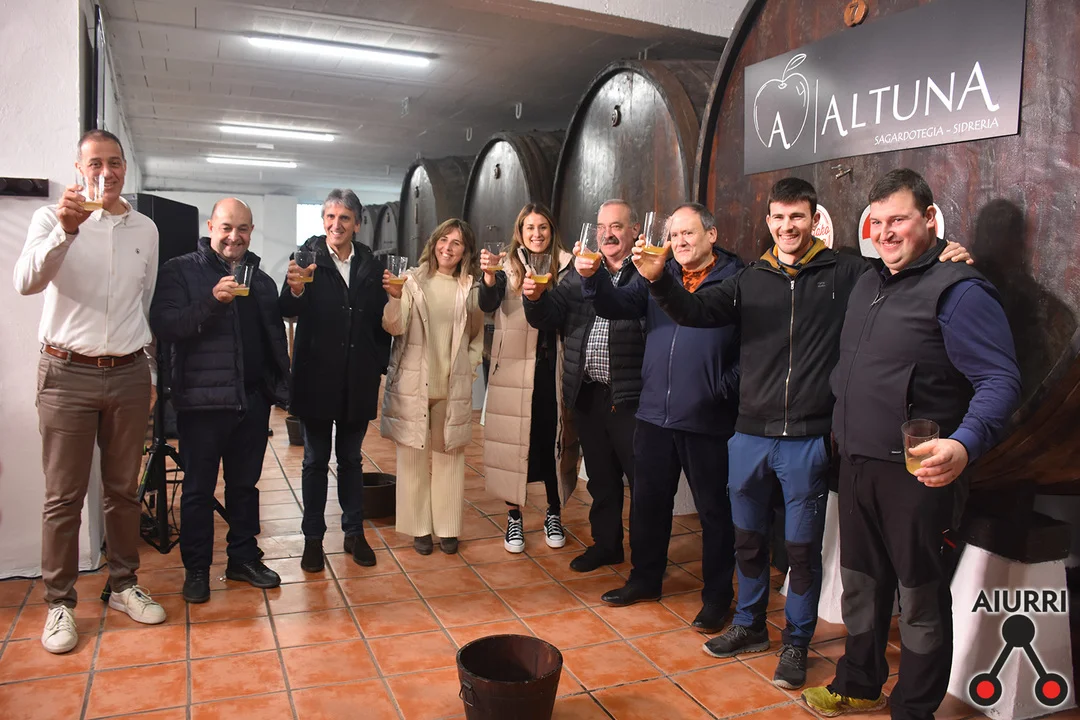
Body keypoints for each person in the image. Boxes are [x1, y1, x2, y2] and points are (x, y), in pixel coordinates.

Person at [636, 178, 971, 689]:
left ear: (814, 220)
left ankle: (796, 640)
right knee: (747, 540)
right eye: (778, 217)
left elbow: (904, 269)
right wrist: (659, 281)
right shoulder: (750, 278)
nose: (787, 226)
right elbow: (695, 312)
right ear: (768, 221)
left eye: (797, 216)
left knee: (799, 551)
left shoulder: (848, 272)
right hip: (748, 434)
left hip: (807, 439)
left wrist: (948, 253)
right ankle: (749, 624)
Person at [802, 170, 1021, 720]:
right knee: (860, 585)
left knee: (921, 598)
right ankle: (858, 683)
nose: (885, 232)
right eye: (877, 222)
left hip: (919, 474)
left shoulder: (960, 290)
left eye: (898, 219)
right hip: (857, 464)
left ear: (929, 219)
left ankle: (914, 708)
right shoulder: (868, 282)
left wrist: (964, 444)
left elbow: (1000, 381)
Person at [14, 129, 166, 653]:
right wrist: (66, 230)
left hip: (127, 373)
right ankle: (59, 603)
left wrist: (148, 372)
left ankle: (124, 585)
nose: (107, 172)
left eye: (115, 162)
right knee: (64, 496)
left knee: (123, 490)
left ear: (125, 167)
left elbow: (143, 303)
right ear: (80, 169)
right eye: (96, 163)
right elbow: (26, 282)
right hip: (66, 373)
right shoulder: (51, 219)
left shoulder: (145, 228)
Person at [587, 203, 742, 634]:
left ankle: (716, 598)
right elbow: (616, 305)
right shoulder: (660, 271)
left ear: (712, 234)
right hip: (654, 411)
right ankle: (645, 579)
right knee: (649, 504)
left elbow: (750, 350)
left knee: (714, 513)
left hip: (707, 417)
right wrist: (592, 278)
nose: (680, 242)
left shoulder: (736, 279)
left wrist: (720, 388)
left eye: (689, 233)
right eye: (674, 235)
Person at [150, 197, 289, 603]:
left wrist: (274, 389)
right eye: (227, 227)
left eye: (242, 228)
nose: (234, 236)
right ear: (211, 227)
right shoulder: (179, 270)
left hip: (251, 401)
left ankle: (243, 558)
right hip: (203, 403)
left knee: (245, 487)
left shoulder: (260, 281)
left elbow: (272, 337)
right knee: (198, 490)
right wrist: (213, 300)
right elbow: (166, 324)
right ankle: (196, 569)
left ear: (251, 232)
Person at [523, 199, 645, 572]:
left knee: (642, 483)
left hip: (631, 395)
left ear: (635, 230)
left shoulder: (645, 272)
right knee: (601, 479)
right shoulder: (581, 272)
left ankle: (645, 561)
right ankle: (606, 545)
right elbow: (550, 315)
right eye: (601, 227)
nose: (607, 234)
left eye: (616, 226)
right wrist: (534, 299)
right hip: (588, 392)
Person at [280, 189, 390, 572]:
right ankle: (313, 538)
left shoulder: (371, 265)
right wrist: (296, 288)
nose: (336, 224)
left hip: (357, 380)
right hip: (316, 379)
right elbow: (286, 308)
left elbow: (380, 322)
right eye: (330, 217)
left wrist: (377, 364)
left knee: (351, 460)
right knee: (314, 461)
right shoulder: (306, 258)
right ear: (323, 221)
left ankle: (354, 533)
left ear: (357, 224)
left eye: (344, 218)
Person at [478, 203, 579, 554]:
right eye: (529, 228)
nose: (537, 234)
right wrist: (488, 277)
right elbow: (487, 303)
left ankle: (553, 512)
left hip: (553, 367)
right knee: (512, 444)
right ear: (519, 233)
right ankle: (514, 518)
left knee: (552, 440)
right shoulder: (507, 265)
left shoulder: (566, 265)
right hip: (513, 368)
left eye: (543, 227)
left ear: (552, 230)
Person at [380, 219, 484, 556]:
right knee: (412, 458)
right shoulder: (411, 281)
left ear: (465, 251)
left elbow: (476, 337)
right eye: (443, 240)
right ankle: (419, 528)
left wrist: (469, 371)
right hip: (414, 384)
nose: (447, 248)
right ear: (433, 242)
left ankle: (448, 528)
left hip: (451, 386)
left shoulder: (470, 288)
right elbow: (393, 326)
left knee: (450, 457)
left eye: (456, 243)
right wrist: (394, 297)